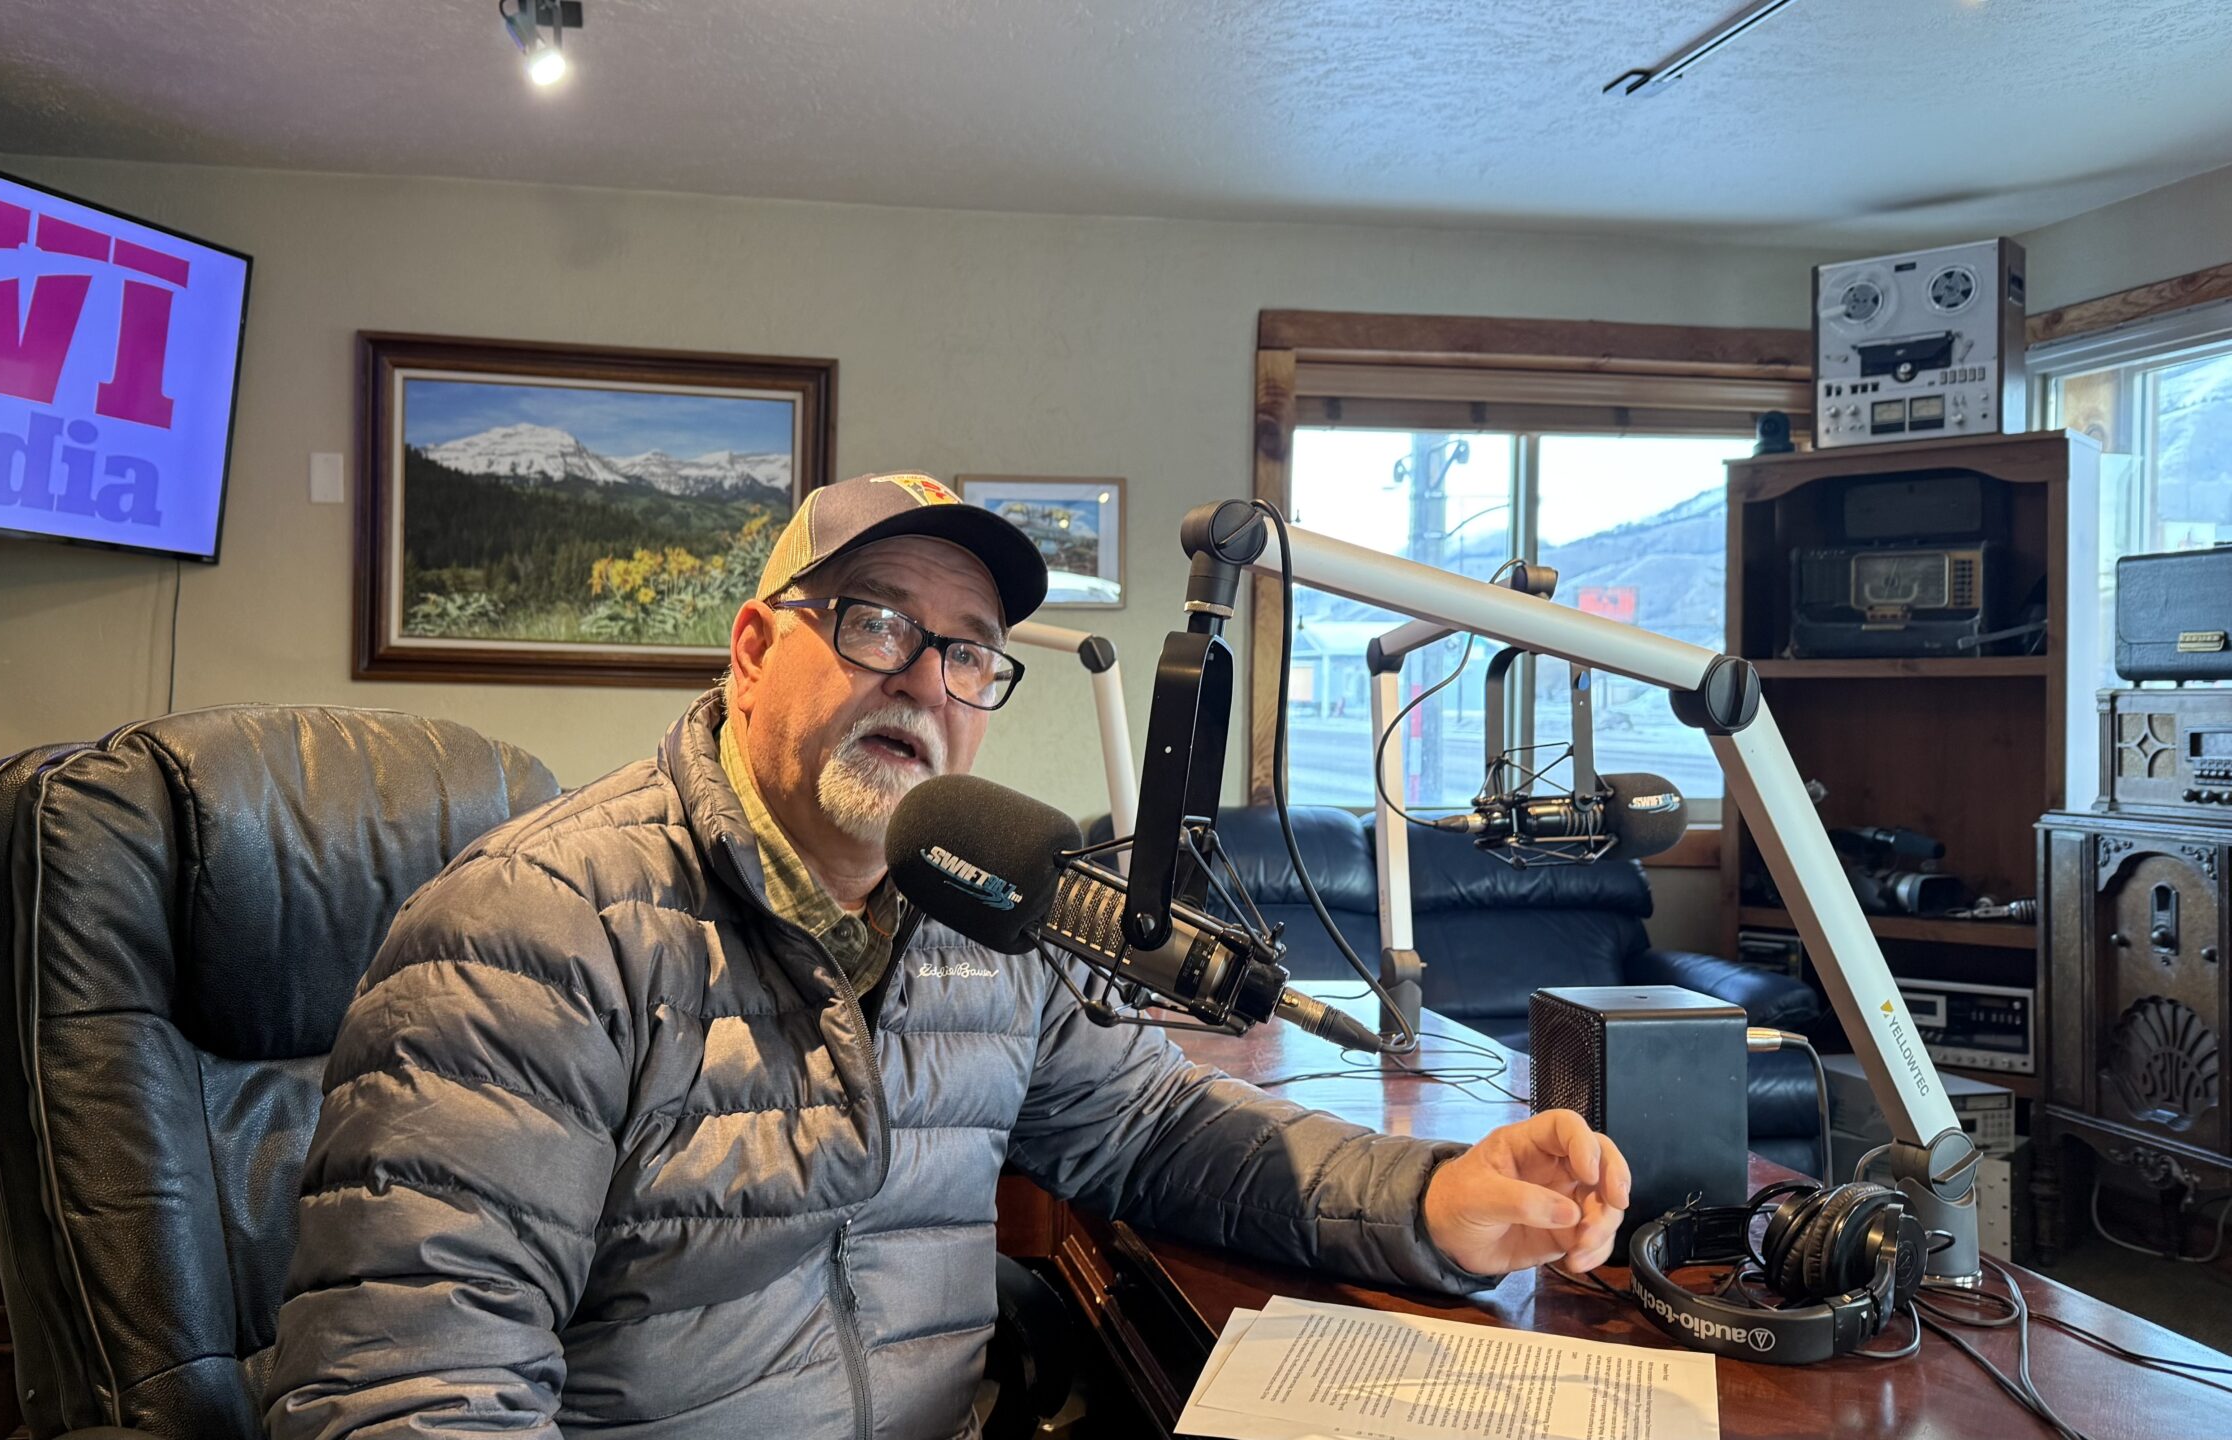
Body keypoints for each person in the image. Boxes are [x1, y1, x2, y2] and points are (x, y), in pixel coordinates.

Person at [266, 473, 1631, 1439]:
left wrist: (1433, 1199)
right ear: (753, 651)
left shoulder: (987, 909)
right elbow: (410, 1390)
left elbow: (1155, 1132)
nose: (926, 680)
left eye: (971, 654)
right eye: (876, 623)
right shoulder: (538, 932)